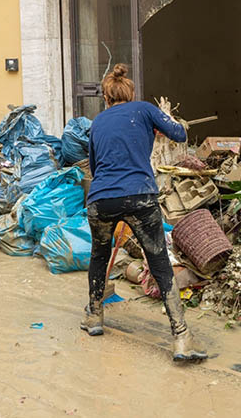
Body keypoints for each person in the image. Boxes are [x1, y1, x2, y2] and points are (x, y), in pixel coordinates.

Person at [81, 63, 207, 362]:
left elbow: (95, 167)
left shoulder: (98, 122)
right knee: (159, 262)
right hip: (139, 196)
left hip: (100, 201)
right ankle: (181, 338)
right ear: (131, 92)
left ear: (106, 98)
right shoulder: (144, 109)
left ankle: (94, 317)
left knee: (99, 255)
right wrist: (170, 123)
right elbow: (177, 134)